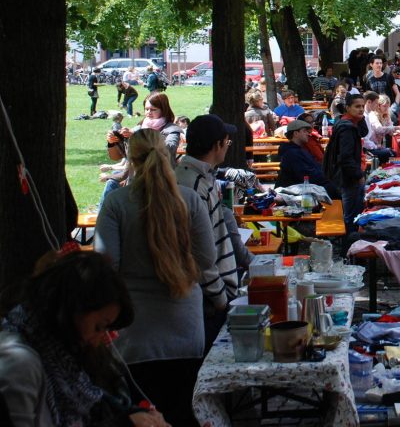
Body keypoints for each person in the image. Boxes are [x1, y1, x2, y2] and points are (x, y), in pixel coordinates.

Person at [95, 128, 219, 427]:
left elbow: (105, 265)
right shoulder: (188, 199)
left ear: (131, 159)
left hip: (134, 334)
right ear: (170, 155)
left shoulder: (117, 202)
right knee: (183, 412)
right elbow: (207, 260)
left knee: (144, 417)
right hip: (185, 327)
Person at [0, 250, 170, 427]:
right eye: (98, 327)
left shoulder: (63, 363)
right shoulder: (19, 362)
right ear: (71, 309)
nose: (98, 340)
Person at [175, 114, 241, 349]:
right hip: (208, 300)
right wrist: (220, 297)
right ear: (217, 145)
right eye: (227, 142)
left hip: (216, 293)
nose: (227, 147)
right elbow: (198, 250)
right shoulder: (190, 184)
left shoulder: (203, 177)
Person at [323, 92, 369, 227]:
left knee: (352, 213)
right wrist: (358, 175)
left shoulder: (349, 122)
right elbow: (345, 157)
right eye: (357, 106)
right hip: (349, 178)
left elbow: (364, 132)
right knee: (352, 216)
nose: (361, 109)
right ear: (348, 108)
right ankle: (348, 244)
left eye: (363, 106)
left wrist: (361, 117)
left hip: (349, 176)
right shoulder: (346, 128)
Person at [278, 119, 343, 202]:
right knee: (335, 190)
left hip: (305, 188)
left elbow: (315, 169)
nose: (308, 134)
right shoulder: (291, 153)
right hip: (296, 193)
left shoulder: (299, 150)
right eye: (305, 131)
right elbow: (307, 175)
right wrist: (328, 179)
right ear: (295, 133)